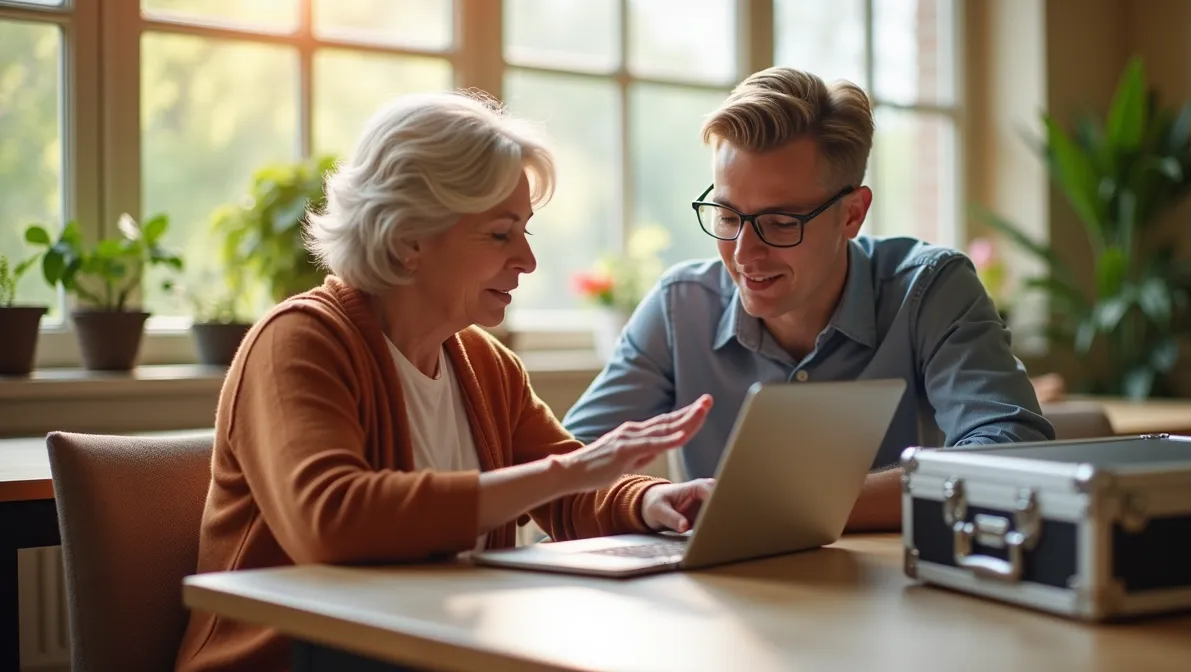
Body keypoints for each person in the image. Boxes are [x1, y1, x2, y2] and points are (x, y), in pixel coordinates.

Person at [174, 91, 715, 672]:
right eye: (501, 234)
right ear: (409, 238)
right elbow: (329, 521)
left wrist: (651, 499)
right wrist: (571, 470)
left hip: (438, 651)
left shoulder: (483, 362)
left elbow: (568, 493)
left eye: (525, 231)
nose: (528, 261)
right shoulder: (299, 341)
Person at [562, 67, 1055, 532]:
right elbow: (563, 467)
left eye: (780, 222)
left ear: (851, 215)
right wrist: (645, 498)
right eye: (728, 217)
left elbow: (1012, 454)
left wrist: (777, 507)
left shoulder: (930, 290)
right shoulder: (680, 307)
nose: (743, 253)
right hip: (729, 606)